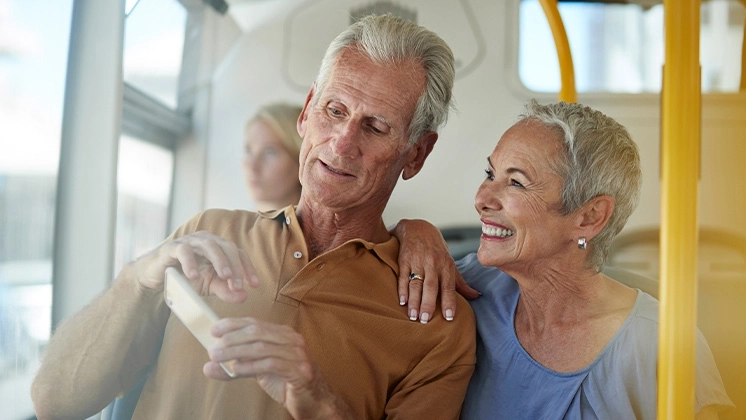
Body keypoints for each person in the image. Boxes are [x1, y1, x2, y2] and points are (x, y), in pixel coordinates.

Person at [31, 14, 476, 420]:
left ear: (416, 154)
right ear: (306, 112)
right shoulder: (205, 235)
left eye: (375, 127)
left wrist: (317, 401)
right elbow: (53, 402)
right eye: (334, 111)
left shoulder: (438, 322)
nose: (341, 143)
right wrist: (134, 279)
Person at [393, 100, 734, 419]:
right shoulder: (472, 285)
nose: (482, 198)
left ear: (589, 217)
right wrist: (413, 230)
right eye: (489, 175)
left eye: (515, 182)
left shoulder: (662, 345)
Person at [243, 102, 304, 211]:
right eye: (249, 151)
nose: (253, 166)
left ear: (301, 160)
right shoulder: (231, 226)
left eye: (270, 152)